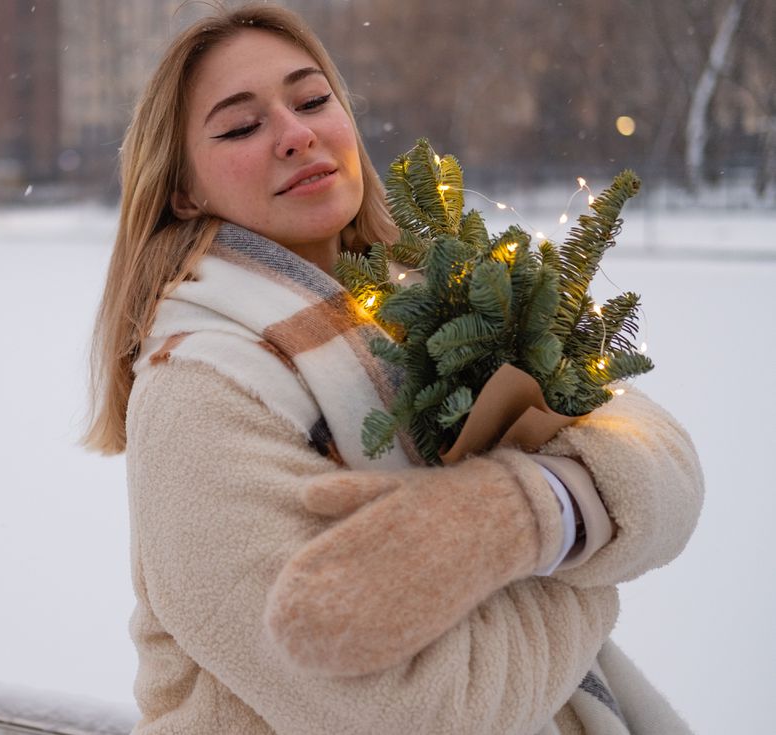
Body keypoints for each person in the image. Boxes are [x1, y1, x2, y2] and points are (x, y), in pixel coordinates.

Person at [84, 4, 704, 733]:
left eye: (313, 99)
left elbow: (662, 463)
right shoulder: (201, 394)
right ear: (183, 189)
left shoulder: (437, 291)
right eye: (242, 126)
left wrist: (521, 514)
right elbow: (422, 714)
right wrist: (586, 560)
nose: (296, 134)